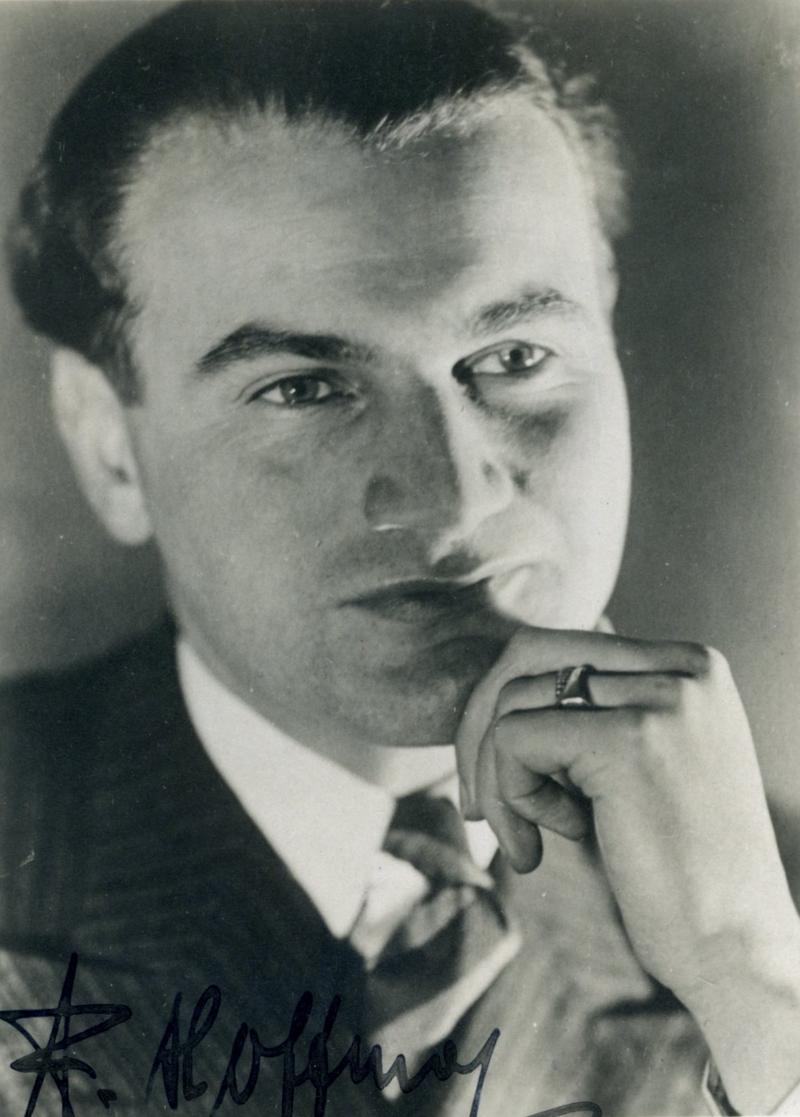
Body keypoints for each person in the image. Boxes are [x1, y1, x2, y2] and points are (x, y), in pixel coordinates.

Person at [1, 2, 798, 1114]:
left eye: (514, 356)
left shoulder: (768, 918)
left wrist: (754, 987)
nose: (451, 493)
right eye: (303, 388)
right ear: (108, 446)